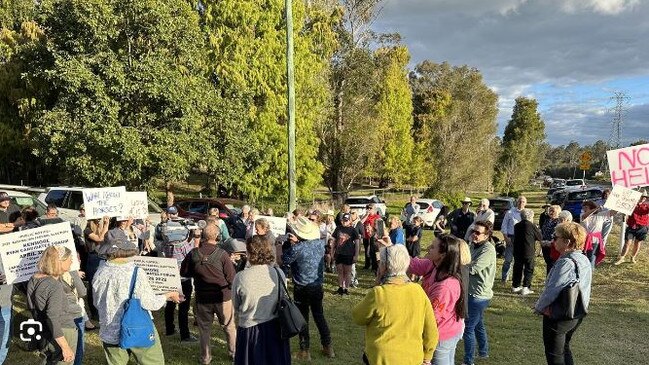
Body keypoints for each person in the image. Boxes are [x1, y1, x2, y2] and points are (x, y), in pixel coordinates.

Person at [93, 239, 181, 365]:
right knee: (153, 362)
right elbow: (150, 303)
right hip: (138, 326)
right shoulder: (135, 272)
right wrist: (168, 295)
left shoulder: (100, 271)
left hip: (109, 329)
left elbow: (97, 303)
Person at [353, 244, 438, 365]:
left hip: (382, 358)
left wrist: (378, 282)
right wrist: (427, 356)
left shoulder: (379, 293)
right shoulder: (418, 291)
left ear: (384, 266)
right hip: (412, 357)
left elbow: (358, 317)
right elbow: (431, 330)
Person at [535, 222, 592, 365]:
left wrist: (538, 307)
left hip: (559, 316)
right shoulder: (584, 259)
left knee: (554, 355)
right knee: (564, 349)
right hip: (576, 313)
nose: (553, 240)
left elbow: (551, 290)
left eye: (556, 237)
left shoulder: (566, 262)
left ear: (567, 242)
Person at [180, 223, 237, 363]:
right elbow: (232, 278)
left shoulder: (193, 253)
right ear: (217, 236)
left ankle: (205, 358)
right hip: (223, 297)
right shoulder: (223, 255)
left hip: (202, 298)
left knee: (204, 329)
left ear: (203, 236)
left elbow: (184, 272)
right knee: (229, 326)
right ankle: (234, 353)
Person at [232, 236, 291, 365]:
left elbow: (236, 305)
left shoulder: (241, 277)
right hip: (275, 328)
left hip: (249, 329)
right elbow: (283, 297)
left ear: (249, 253)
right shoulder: (279, 273)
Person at [282, 217, 335, 360]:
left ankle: (305, 351)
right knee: (319, 316)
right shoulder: (319, 244)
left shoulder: (297, 249)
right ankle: (328, 346)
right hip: (317, 286)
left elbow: (284, 259)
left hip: (302, 287)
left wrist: (291, 244)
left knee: (303, 318)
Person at [408, 235, 465, 365]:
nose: (428, 248)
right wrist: (388, 247)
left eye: (433, 247)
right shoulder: (434, 266)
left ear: (443, 255)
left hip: (441, 337)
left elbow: (431, 318)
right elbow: (411, 264)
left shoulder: (445, 287)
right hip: (444, 331)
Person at [26, 246, 78, 364]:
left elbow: (32, 307)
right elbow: (52, 317)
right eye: (69, 259)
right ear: (59, 261)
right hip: (61, 332)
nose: (72, 261)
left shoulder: (34, 278)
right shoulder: (54, 286)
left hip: (44, 331)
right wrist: (65, 347)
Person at [463, 220, 496, 365]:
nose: (474, 235)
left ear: (486, 235)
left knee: (468, 328)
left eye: (477, 233)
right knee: (478, 324)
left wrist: (455, 267)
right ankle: (483, 351)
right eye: (472, 231)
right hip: (472, 292)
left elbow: (473, 269)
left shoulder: (488, 249)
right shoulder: (473, 245)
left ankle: (468, 361)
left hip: (478, 295)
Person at [512, 209, 542, 295]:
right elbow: (539, 237)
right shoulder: (532, 226)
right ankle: (526, 287)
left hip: (517, 250)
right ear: (530, 217)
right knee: (529, 268)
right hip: (528, 250)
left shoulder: (517, 226)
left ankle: (515, 286)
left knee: (517, 268)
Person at [615, 190, 649, 265]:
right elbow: (623, 210)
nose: (642, 198)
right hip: (631, 228)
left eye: (644, 197)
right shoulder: (631, 204)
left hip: (642, 228)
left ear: (645, 198)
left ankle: (633, 257)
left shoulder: (646, 206)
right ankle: (622, 258)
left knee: (637, 243)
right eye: (641, 196)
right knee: (627, 243)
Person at [330, 213, 360, 295]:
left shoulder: (353, 230)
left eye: (346, 220)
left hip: (348, 253)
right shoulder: (338, 228)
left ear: (350, 221)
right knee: (340, 271)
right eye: (343, 220)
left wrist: (356, 255)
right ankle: (340, 287)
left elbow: (357, 243)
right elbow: (333, 241)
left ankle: (346, 288)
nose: (344, 222)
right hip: (339, 253)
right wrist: (332, 251)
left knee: (347, 271)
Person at [500, 195, 527, 283]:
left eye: (523, 202)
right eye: (519, 201)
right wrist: (506, 237)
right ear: (516, 202)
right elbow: (504, 226)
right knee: (508, 260)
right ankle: (504, 278)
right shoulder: (510, 212)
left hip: (522, 239)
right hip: (511, 237)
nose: (521, 203)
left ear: (525, 203)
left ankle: (517, 278)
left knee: (519, 260)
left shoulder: (527, 213)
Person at [580, 200, 612, 267]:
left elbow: (612, 213)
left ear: (591, 207)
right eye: (583, 208)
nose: (584, 209)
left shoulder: (601, 215)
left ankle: (590, 269)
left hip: (595, 240)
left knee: (592, 256)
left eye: (586, 207)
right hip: (584, 240)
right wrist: (596, 208)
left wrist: (619, 207)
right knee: (584, 255)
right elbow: (585, 216)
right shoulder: (582, 215)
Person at [540, 205, 561, 275]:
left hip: (553, 245)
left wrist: (549, 242)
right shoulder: (547, 220)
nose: (551, 212)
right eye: (550, 210)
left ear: (558, 212)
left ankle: (549, 280)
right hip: (544, 245)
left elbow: (556, 235)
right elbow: (543, 231)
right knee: (548, 262)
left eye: (553, 211)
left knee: (552, 263)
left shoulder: (559, 222)